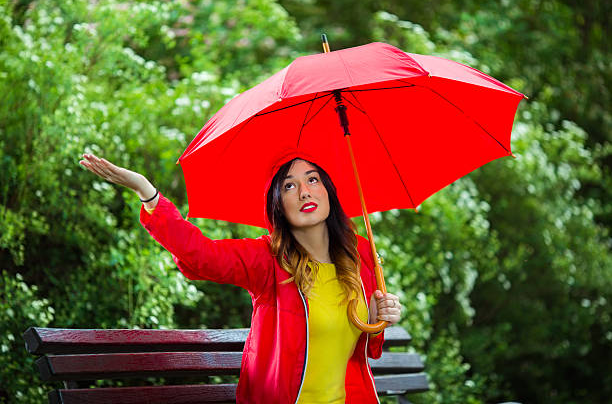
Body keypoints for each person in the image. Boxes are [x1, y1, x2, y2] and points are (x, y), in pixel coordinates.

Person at [79, 152, 403, 404]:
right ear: (278, 203)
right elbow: (201, 256)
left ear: (328, 191)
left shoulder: (358, 256)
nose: (305, 192)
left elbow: (364, 350)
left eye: (313, 179)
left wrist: (376, 319)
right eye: (289, 185)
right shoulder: (268, 261)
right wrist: (148, 193)